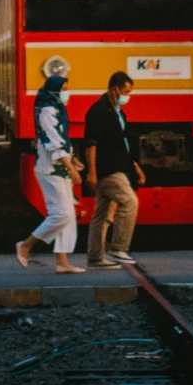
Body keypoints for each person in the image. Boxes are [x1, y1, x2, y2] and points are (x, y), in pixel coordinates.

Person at [15, 70, 85, 274]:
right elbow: (54, 144)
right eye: (64, 89)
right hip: (50, 169)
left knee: (68, 215)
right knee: (61, 213)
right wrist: (72, 170)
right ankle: (26, 245)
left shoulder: (55, 110)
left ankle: (62, 262)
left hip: (58, 169)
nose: (67, 92)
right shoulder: (47, 112)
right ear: (54, 91)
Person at [83, 69, 145, 268]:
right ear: (115, 89)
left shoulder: (118, 112)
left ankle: (95, 257)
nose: (128, 96)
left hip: (119, 165)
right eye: (126, 92)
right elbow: (90, 144)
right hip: (108, 169)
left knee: (102, 215)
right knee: (129, 202)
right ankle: (118, 248)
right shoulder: (98, 111)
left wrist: (135, 166)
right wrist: (92, 173)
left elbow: (122, 143)